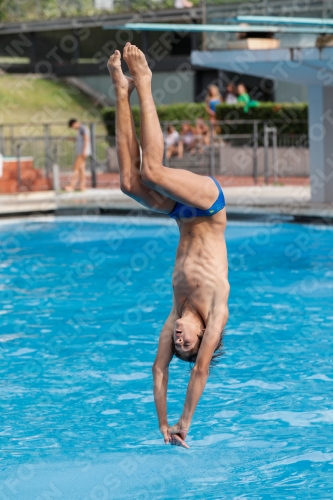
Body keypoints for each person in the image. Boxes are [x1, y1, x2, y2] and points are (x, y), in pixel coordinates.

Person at [107, 43, 229, 449]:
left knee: (129, 183)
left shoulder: (175, 314)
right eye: (187, 343)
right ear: (203, 337)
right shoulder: (216, 311)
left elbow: (160, 371)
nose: (179, 338)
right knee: (153, 169)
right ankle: (144, 82)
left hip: (181, 214)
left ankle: (121, 91)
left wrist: (163, 425)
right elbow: (199, 374)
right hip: (209, 207)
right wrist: (185, 422)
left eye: (177, 343)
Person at [65, 119, 91, 192]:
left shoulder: (82, 128)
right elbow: (80, 140)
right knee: (81, 169)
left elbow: (86, 139)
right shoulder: (80, 129)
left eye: (73, 126)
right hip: (81, 152)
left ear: (74, 123)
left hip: (82, 153)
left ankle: (72, 186)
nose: (74, 128)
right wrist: (72, 139)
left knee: (76, 168)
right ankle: (82, 186)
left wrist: (84, 151)